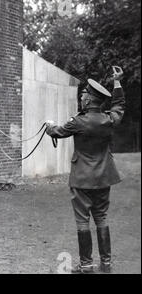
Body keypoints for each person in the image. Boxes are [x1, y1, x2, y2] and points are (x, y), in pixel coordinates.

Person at [45, 66, 125, 274]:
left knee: (82, 221)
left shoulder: (78, 122)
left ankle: (87, 265)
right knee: (102, 218)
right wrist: (117, 82)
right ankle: (106, 264)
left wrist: (48, 126)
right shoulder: (108, 120)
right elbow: (119, 107)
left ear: (88, 100)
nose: (81, 98)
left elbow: (57, 131)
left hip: (81, 180)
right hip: (104, 178)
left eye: (83, 96)